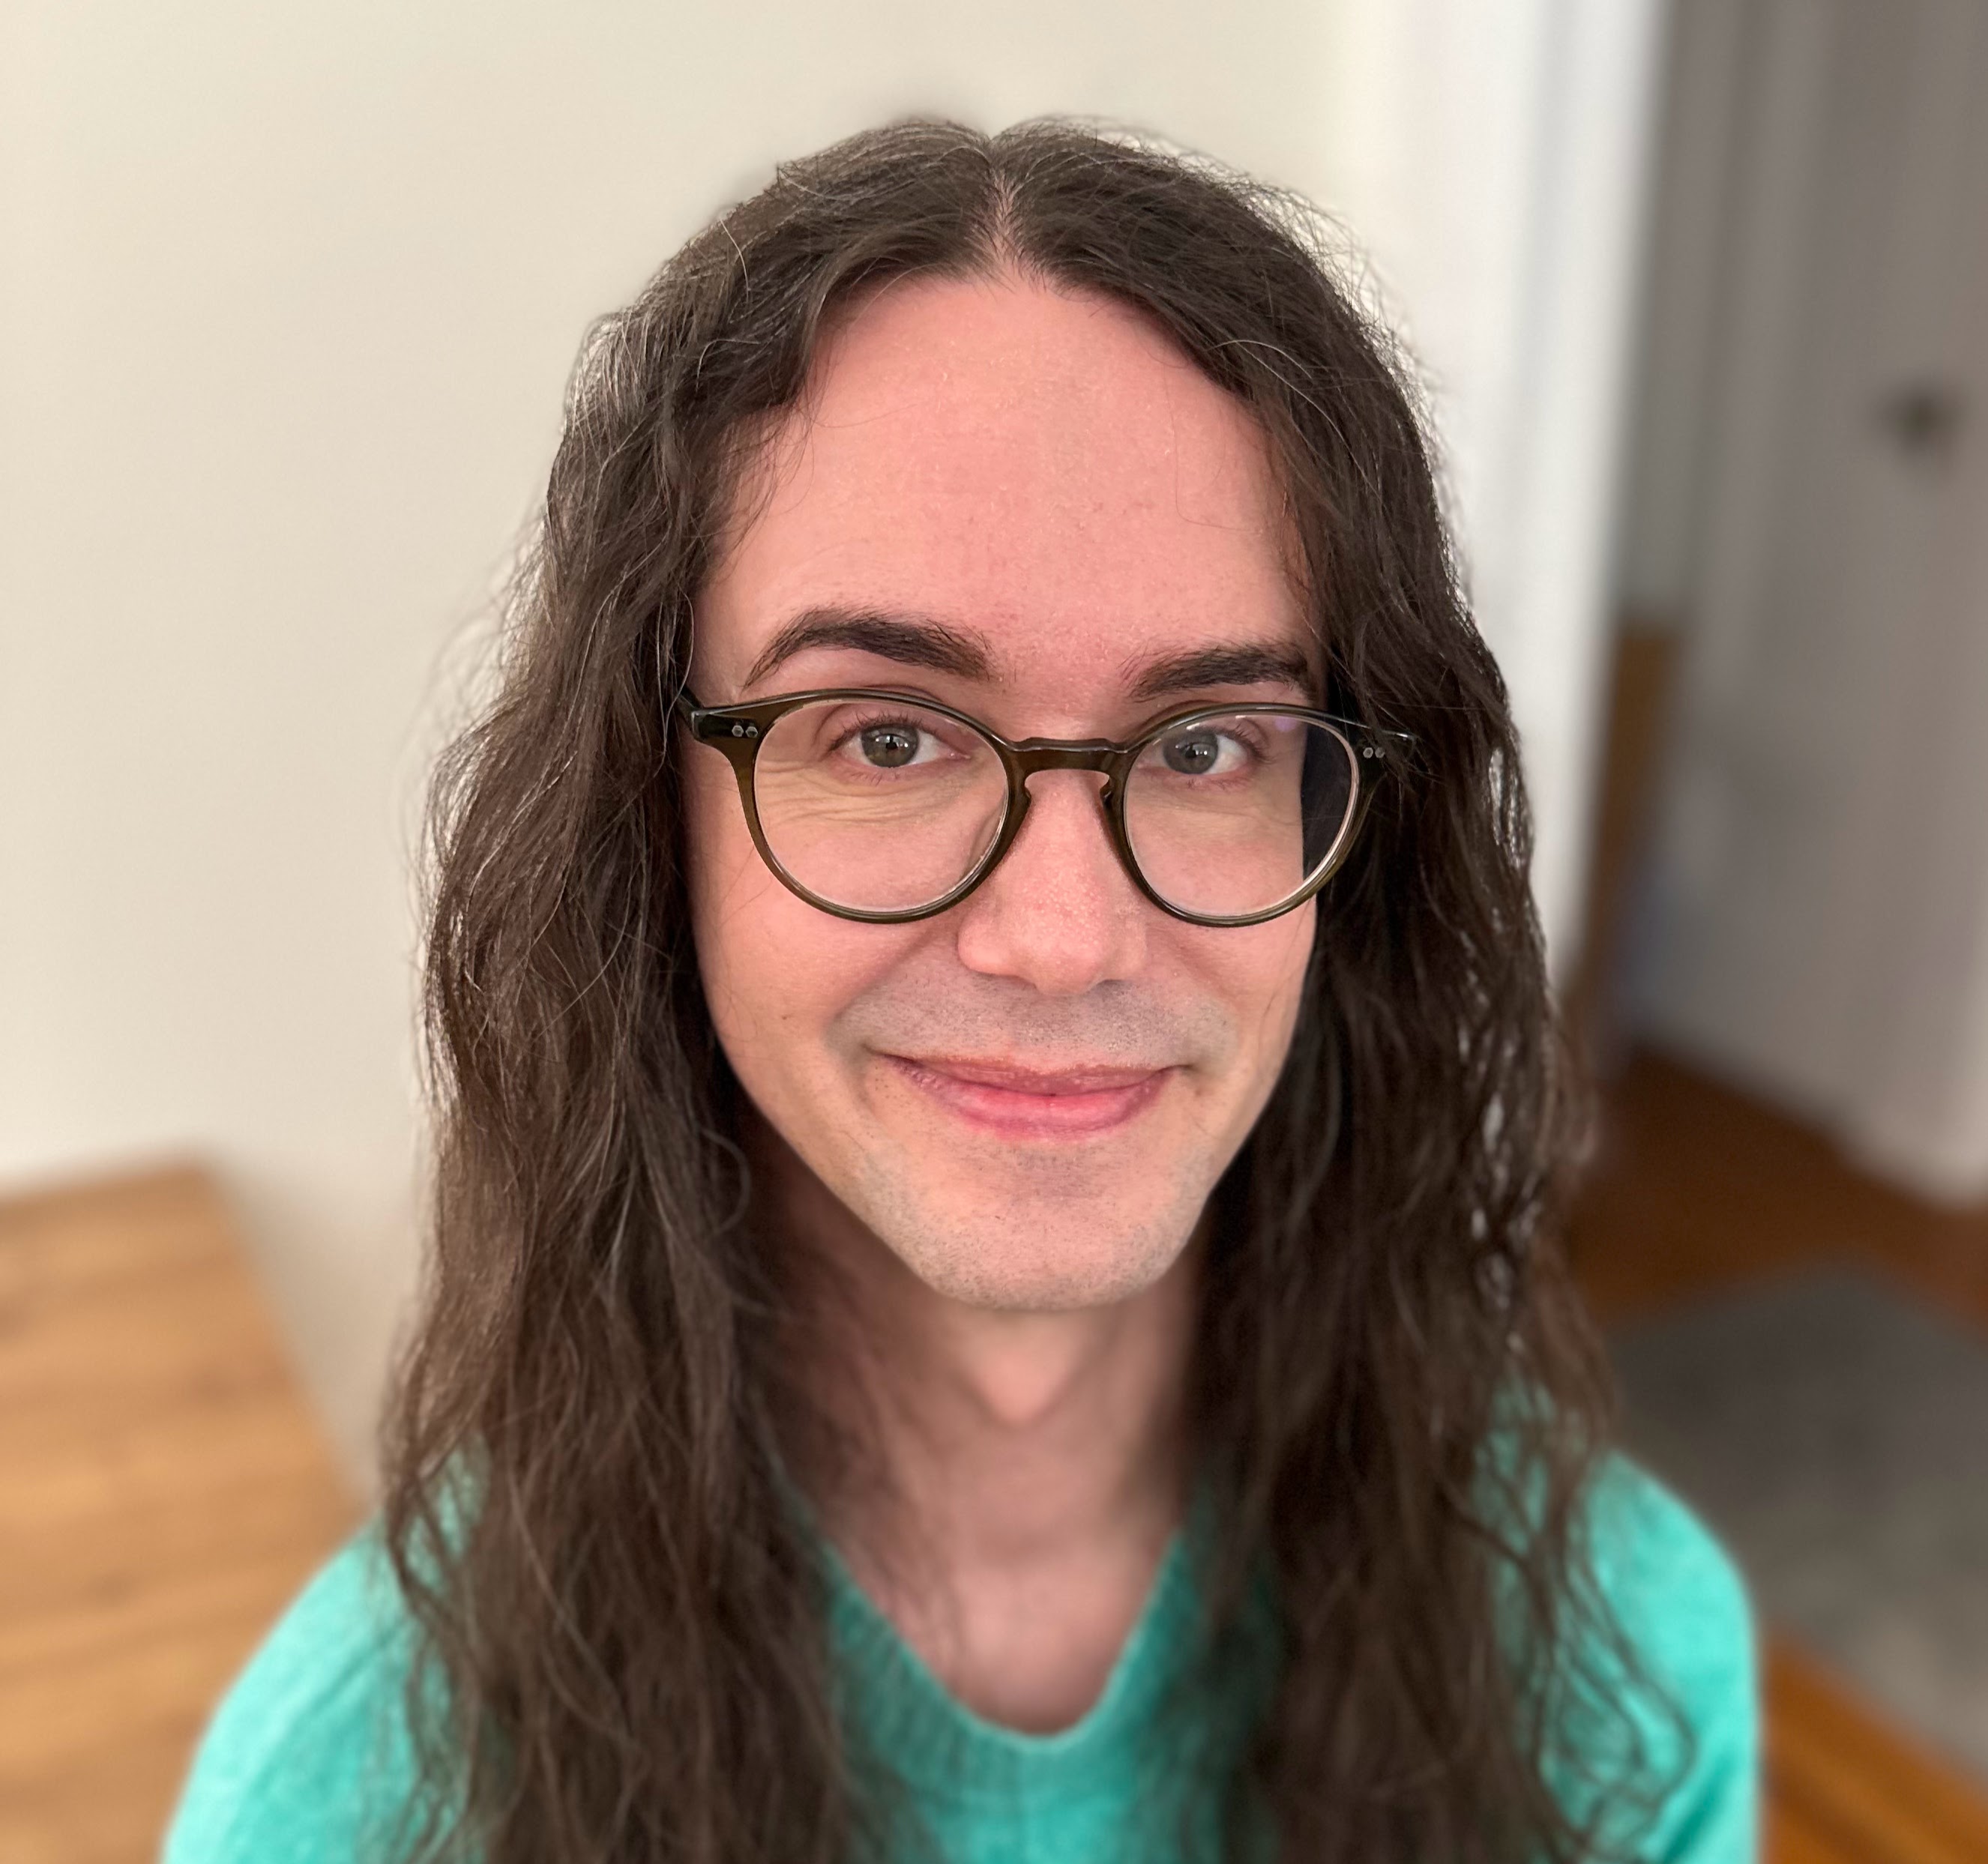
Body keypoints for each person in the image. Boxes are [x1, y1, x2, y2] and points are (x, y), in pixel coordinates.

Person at [163, 119, 1756, 1863]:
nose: (1063, 935)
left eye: (1207, 744)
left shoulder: (1622, 1673)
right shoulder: (350, 1803)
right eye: (886, 736)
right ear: (648, 822)